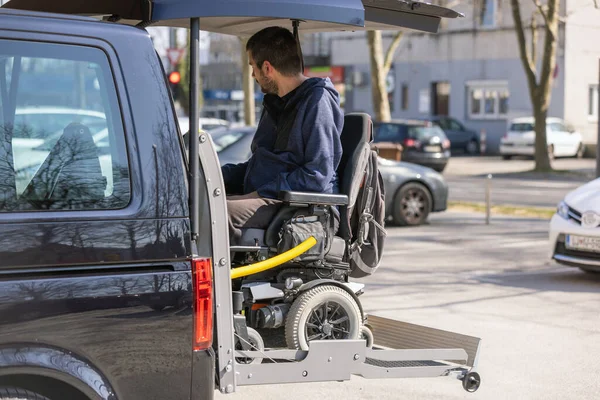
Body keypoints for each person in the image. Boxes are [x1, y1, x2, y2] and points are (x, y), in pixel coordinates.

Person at [222, 26, 344, 244]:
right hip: (272, 198)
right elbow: (259, 165)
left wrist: (258, 194)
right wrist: (213, 176)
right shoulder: (275, 104)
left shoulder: (317, 103)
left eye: (253, 67)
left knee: (218, 214)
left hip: (301, 208)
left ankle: (217, 278)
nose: (253, 75)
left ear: (267, 68)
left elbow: (317, 174)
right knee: (198, 202)